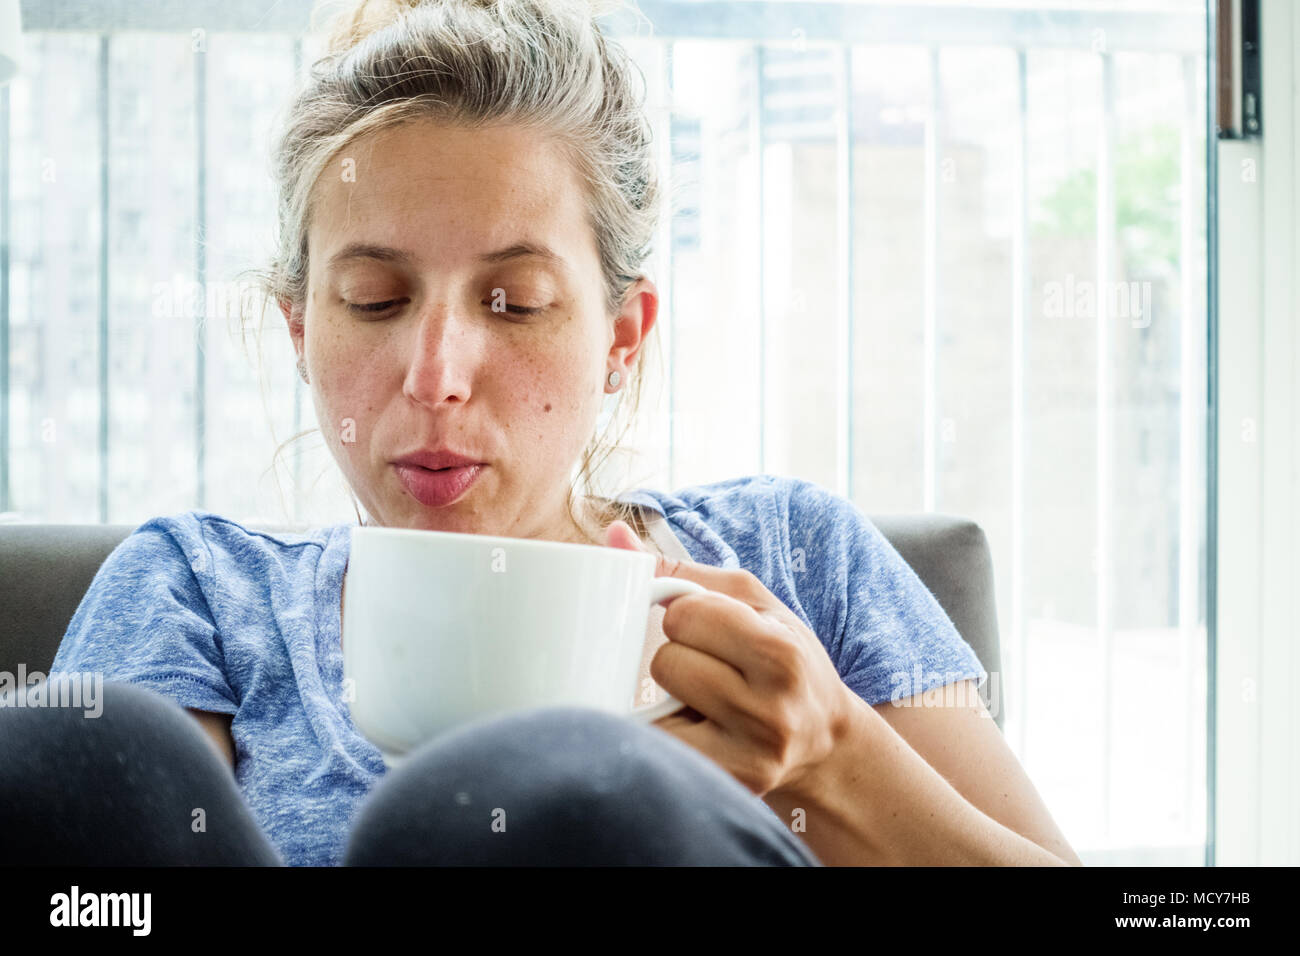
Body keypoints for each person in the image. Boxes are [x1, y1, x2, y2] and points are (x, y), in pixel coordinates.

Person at [2, 0, 1081, 867]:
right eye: (375, 300)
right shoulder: (196, 590)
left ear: (621, 334)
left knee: (566, 793)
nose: (434, 378)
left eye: (513, 301)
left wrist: (833, 761)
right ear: (299, 329)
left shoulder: (798, 560)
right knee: (85, 749)